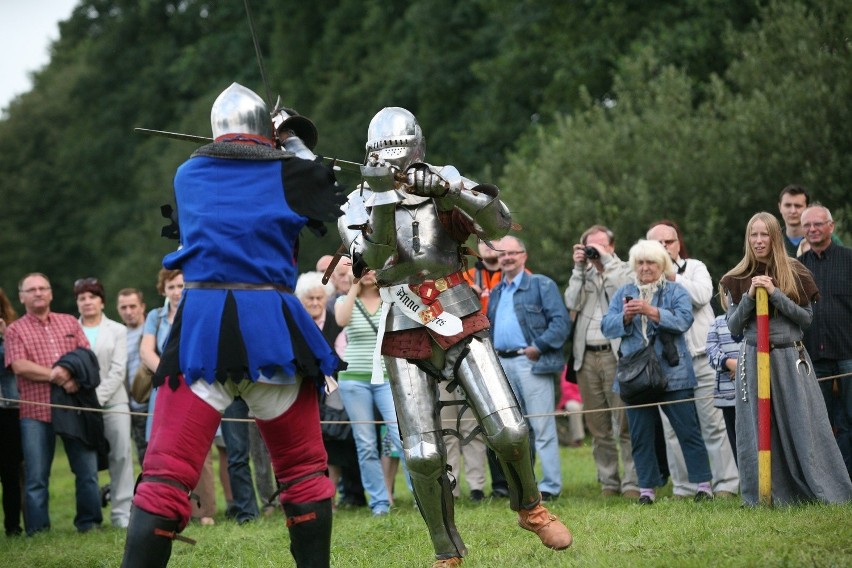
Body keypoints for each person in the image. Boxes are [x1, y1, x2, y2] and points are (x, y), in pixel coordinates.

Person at [121, 83, 346, 568]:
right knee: (305, 473)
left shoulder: (187, 174)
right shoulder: (289, 171)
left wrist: (274, 145)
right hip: (273, 331)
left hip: (203, 331)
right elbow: (328, 191)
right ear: (266, 132)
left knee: (164, 475)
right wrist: (291, 140)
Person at [338, 107, 572, 567]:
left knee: (508, 427)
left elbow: (499, 226)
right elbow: (378, 257)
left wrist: (449, 190)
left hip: (456, 309)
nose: (399, 166)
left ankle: (531, 508)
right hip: (403, 322)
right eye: (389, 159)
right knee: (423, 453)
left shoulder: (443, 179)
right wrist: (384, 197)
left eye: (404, 157)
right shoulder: (356, 203)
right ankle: (446, 550)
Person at [720, 212, 852, 505]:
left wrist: (775, 294)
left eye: (764, 234)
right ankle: (764, 494)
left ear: (774, 237)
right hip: (753, 360)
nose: (758, 240)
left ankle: (815, 489)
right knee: (758, 426)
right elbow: (733, 327)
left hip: (789, 358)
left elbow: (805, 319)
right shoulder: (737, 276)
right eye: (753, 235)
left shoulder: (796, 271)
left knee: (804, 424)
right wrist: (751, 295)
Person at [601, 240, 713, 505]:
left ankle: (703, 485)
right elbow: (607, 326)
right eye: (640, 263)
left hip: (674, 373)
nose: (645, 268)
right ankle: (647, 490)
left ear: (662, 264)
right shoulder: (624, 292)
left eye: (651, 262)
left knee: (688, 430)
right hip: (635, 377)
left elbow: (684, 320)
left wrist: (651, 311)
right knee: (640, 435)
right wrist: (625, 317)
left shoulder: (676, 291)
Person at [4, 273, 102, 534]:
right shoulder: (15, 330)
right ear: (22, 296)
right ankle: (38, 530)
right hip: (35, 412)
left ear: (50, 293)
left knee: (87, 471)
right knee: (36, 477)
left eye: (42, 288)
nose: (37, 293)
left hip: (74, 407)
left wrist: (71, 375)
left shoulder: (69, 321)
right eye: (31, 289)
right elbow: (18, 365)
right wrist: (55, 376)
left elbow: (86, 356)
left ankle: (89, 523)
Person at [647, 221, 739, 498]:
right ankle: (685, 486)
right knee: (673, 429)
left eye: (670, 242)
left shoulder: (695, 267)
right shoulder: (644, 276)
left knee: (713, 424)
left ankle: (726, 484)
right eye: (658, 243)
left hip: (700, 358)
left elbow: (701, 297)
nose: (664, 247)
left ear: (678, 244)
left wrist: (672, 275)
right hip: (668, 365)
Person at [488, 236, 570, 502]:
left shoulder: (541, 285)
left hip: (531, 362)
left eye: (512, 253)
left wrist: (538, 346)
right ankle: (526, 484)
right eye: (502, 254)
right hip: (503, 364)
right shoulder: (498, 291)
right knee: (516, 431)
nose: (507, 258)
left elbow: (560, 323)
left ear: (524, 256)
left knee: (542, 426)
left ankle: (550, 486)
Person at [563, 224, 638, 498]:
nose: (595, 251)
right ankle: (608, 482)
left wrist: (605, 264)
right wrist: (579, 269)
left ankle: (632, 482)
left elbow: (625, 291)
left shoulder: (626, 268)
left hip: (617, 355)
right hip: (586, 357)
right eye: (589, 246)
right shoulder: (583, 273)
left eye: (601, 246)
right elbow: (571, 301)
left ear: (612, 246)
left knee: (626, 423)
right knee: (599, 427)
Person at [335, 269, 406, 516]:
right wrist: (353, 286)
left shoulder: (391, 299)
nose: (367, 274)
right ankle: (379, 502)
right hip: (354, 378)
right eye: (361, 270)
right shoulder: (344, 301)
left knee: (401, 436)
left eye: (371, 269)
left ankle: (420, 496)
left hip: (387, 377)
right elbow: (341, 321)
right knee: (366, 443)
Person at [295, 270, 365, 510]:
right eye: (310, 299)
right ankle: (310, 494)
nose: (315, 303)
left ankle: (338, 496)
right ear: (301, 300)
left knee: (337, 441)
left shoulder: (336, 320)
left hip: (334, 389)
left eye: (319, 298)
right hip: (303, 390)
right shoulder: (296, 323)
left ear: (326, 298)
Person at [75, 277, 134, 528]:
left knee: (121, 457)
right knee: (86, 463)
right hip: (79, 407)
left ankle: (122, 514)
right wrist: (86, 402)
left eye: (92, 297)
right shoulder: (70, 328)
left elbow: (119, 370)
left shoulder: (118, 330)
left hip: (115, 404)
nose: (87, 302)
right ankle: (90, 517)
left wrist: (96, 399)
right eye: (82, 298)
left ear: (102, 301)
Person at [798, 205, 852, 480]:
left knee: (851, 418)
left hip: (849, 352)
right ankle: (832, 480)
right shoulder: (797, 267)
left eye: (818, 224)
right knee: (821, 422)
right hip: (812, 355)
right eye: (807, 225)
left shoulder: (849, 259)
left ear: (831, 226)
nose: (813, 229)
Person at [463, 238, 509, 498]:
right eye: (484, 243)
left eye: (495, 243)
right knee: (483, 421)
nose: (490, 248)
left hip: (504, 349)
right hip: (476, 352)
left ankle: (511, 482)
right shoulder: (468, 276)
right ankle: (494, 485)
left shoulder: (515, 274)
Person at [0, 288, 23, 536]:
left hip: (8, 409)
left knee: (10, 470)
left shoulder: (11, 330)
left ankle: (13, 526)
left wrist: (5, 337)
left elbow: (15, 365)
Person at [705, 306, 741, 463]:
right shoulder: (718, 323)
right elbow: (711, 352)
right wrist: (729, 363)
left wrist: (742, 366)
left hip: (756, 396)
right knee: (736, 444)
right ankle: (745, 482)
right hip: (728, 397)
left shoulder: (755, 321)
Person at [117, 288, 148, 465]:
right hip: (131, 407)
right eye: (123, 307)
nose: (128, 312)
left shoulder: (154, 330)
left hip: (153, 404)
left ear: (142, 307)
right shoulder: (118, 334)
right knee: (142, 457)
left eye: (133, 306)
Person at [778, 185, 810, 257]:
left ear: (807, 208)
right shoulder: (771, 242)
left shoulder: (825, 239)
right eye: (788, 205)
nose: (793, 211)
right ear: (780, 207)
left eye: (798, 206)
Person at [556, 377, 585, 449]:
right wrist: (581, 399)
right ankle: (577, 438)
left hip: (587, 399)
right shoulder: (567, 370)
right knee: (574, 407)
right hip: (572, 399)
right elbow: (567, 390)